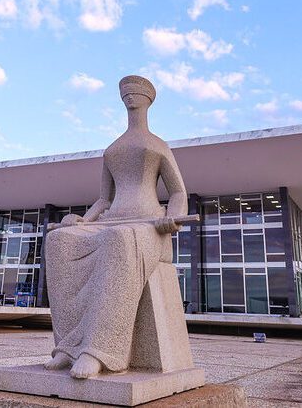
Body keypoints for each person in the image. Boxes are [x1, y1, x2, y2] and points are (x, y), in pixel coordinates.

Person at [43, 75, 188, 379]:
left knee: (119, 240)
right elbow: (103, 199)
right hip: (112, 222)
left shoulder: (158, 146)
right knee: (59, 242)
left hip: (150, 227)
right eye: (126, 92)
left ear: (148, 99)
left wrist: (172, 217)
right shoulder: (112, 150)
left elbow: (178, 192)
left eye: (136, 91)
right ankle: (69, 347)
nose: (130, 96)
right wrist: (83, 220)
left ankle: (99, 350)